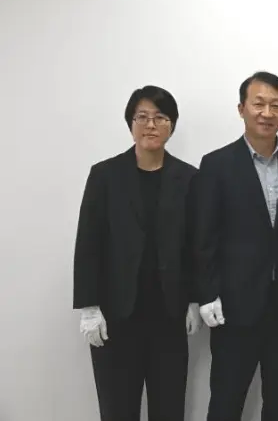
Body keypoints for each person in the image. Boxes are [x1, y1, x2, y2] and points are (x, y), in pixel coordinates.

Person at [192, 71, 278, 421]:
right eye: (259, 104)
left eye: (275, 105)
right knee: (226, 400)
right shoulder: (216, 165)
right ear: (242, 109)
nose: (267, 113)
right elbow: (204, 236)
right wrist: (206, 294)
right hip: (233, 306)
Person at [72, 85, 201, 421]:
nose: (151, 125)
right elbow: (88, 243)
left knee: (169, 409)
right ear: (130, 123)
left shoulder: (190, 178)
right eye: (142, 117)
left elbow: (196, 244)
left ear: (172, 125)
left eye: (160, 117)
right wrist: (89, 306)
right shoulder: (104, 175)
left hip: (169, 318)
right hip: (116, 318)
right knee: (117, 410)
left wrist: (194, 298)